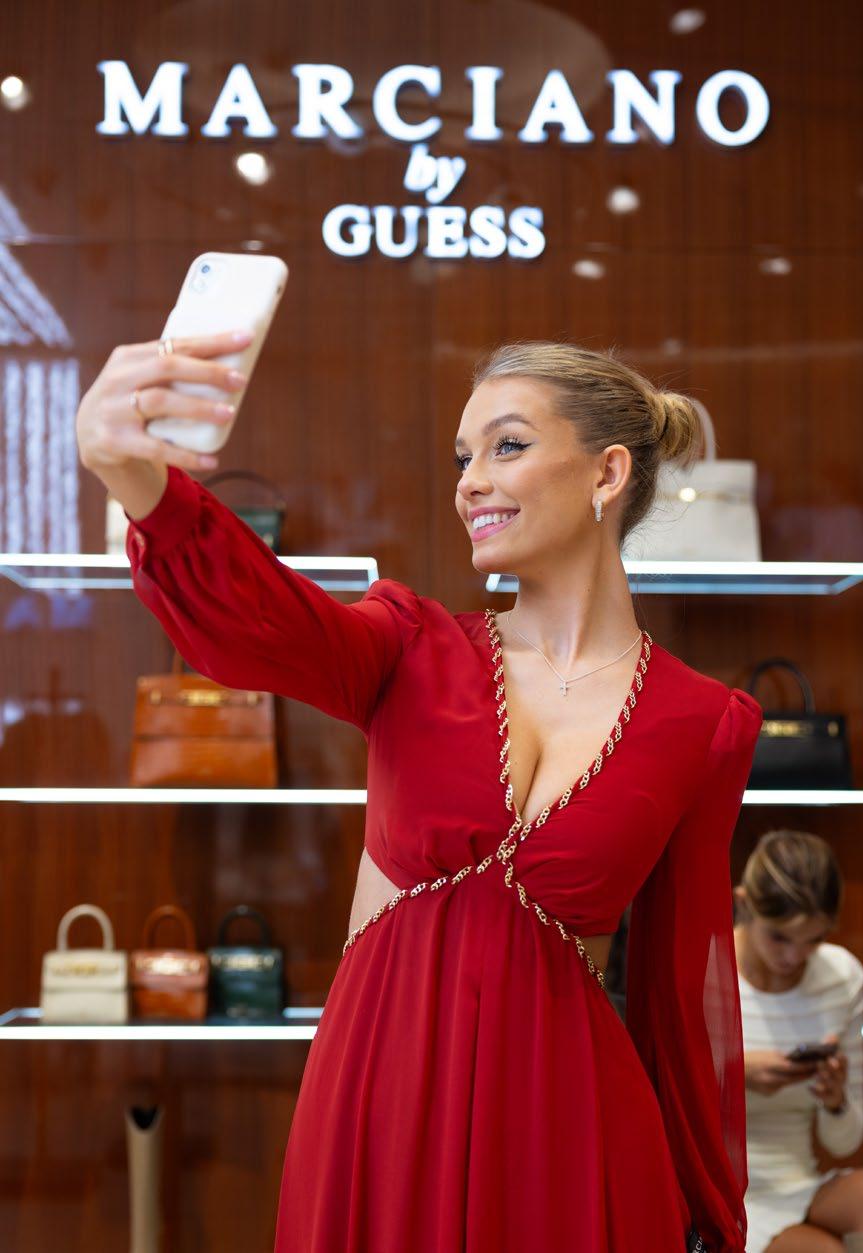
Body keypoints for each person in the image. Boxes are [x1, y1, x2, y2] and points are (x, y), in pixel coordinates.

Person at [77, 330, 764, 1252]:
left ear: (607, 473)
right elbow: (263, 620)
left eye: (507, 445)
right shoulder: (409, 645)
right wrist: (140, 482)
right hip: (379, 1110)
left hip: (569, 1135)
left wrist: (708, 1216)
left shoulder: (706, 722)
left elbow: (684, 1000)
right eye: (462, 457)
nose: (471, 480)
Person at [735, 829, 863, 1253]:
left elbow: (843, 1142)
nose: (793, 957)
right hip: (717, 1186)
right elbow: (656, 1099)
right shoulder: (705, 967)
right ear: (744, 904)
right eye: (779, 936)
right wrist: (736, 1073)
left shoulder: (841, 976)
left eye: (814, 940)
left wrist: (835, 1100)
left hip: (796, 1181)